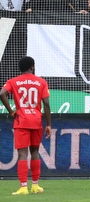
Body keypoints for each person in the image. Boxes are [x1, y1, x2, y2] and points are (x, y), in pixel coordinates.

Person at [0, 56, 51, 195]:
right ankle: (35, 185)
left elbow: (2, 93)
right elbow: (46, 103)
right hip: (36, 121)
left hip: (21, 121)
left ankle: (23, 187)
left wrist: (11, 111)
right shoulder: (41, 82)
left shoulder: (13, 81)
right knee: (35, 152)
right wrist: (49, 124)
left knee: (22, 154)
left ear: (20, 68)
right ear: (32, 67)